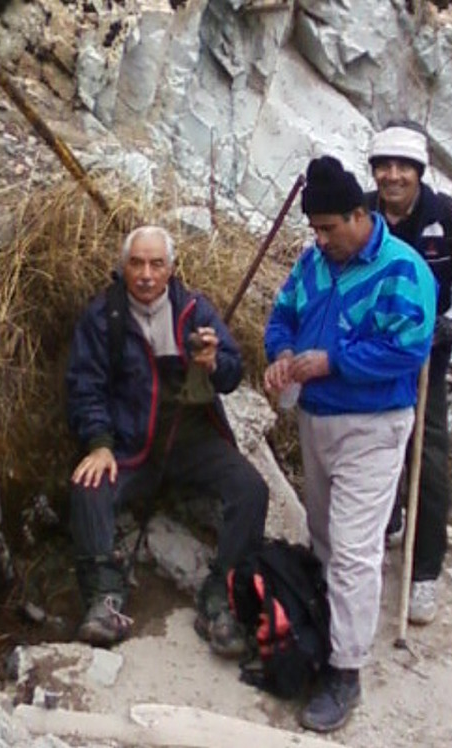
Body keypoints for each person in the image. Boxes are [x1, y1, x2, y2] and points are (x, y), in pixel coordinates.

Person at [263, 156, 436, 733]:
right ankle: (326, 630)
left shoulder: (404, 271)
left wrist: (331, 361)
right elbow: (282, 315)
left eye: (330, 228)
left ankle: (346, 670)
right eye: (314, 229)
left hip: (375, 424)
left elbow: (408, 351)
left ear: (360, 215)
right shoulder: (313, 262)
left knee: (357, 550)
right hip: (315, 420)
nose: (320, 239)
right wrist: (282, 355)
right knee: (324, 535)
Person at [66, 224, 269, 655]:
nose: (145, 274)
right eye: (136, 263)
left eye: (156, 264)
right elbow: (86, 384)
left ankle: (222, 595)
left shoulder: (195, 310)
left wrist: (215, 363)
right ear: (123, 267)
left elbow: (233, 373)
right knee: (88, 488)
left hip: (193, 442)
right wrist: (99, 442)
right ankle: (104, 598)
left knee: (251, 489)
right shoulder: (103, 316)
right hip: (129, 446)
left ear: (171, 269)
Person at [367, 121, 452, 625]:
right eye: (384, 166)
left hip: (432, 348)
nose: (393, 176)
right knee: (377, 436)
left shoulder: (444, 216)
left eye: (403, 167)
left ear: (419, 172)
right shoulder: (362, 212)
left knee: (429, 448)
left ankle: (424, 571)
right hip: (376, 346)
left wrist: (446, 324)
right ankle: (386, 522)